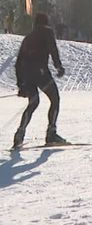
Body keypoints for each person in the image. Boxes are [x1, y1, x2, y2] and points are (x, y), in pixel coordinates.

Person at [13, 12, 66, 149]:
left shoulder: (28, 38)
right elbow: (53, 50)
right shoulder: (47, 32)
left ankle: (19, 134)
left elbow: (18, 62)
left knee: (33, 102)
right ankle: (51, 133)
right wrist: (58, 67)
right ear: (46, 22)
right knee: (55, 99)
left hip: (27, 75)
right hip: (41, 73)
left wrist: (21, 84)